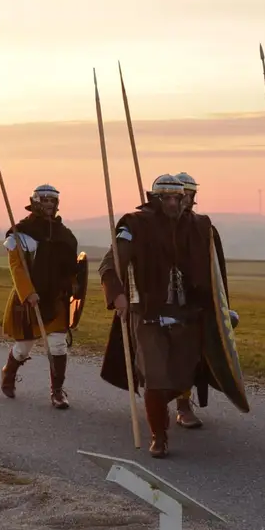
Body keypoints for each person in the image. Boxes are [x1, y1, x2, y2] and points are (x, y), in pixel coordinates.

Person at [99, 174, 223, 457]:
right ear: (155, 199)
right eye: (165, 197)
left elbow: (214, 273)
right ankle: (159, 435)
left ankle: (167, 408)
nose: (171, 202)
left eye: (176, 198)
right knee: (155, 376)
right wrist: (117, 295)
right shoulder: (135, 225)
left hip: (186, 316)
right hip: (148, 315)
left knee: (182, 378)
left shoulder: (198, 226)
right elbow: (110, 264)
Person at [0, 185, 87, 409]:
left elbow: (71, 268)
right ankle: (9, 373)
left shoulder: (64, 235)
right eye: (45, 200)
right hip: (28, 298)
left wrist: (75, 283)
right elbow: (17, 266)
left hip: (56, 296)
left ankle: (57, 391)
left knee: (58, 345)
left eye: (52, 201)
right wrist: (28, 293)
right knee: (24, 347)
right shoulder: (22, 232)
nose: (49, 205)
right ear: (36, 202)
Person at [170, 171, 230, 429]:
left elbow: (215, 270)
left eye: (190, 194)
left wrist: (219, 306)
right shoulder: (150, 225)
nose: (185, 199)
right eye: (180, 194)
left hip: (193, 303)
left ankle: (183, 405)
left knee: (189, 356)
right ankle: (158, 401)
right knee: (159, 357)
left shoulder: (203, 227)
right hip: (160, 300)